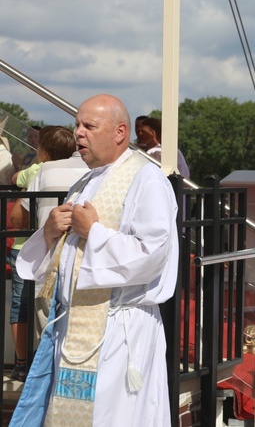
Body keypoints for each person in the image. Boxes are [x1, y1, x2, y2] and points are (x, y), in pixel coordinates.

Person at [11, 94, 179, 426]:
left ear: (120, 132)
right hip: (77, 328)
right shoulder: (85, 182)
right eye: (77, 125)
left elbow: (154, 254)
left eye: (89, 126)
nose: (78, 134)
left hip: (120, 330)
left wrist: (95, 232)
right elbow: (63, 259)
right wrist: (48, 233)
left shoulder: (148, 179)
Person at [8, 126, 77, 382]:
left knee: (23, 309)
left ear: (43, 151)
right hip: (72, 254)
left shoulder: (40, 170)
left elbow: (17, 218)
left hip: (33, 252)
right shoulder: (86, 173)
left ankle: (24, 364)